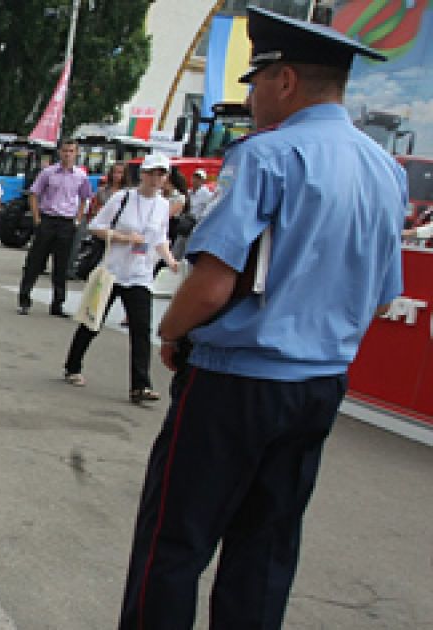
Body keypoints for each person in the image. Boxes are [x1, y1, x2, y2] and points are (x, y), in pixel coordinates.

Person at [118, 9, 405, 628]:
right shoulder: (386, 169)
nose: (248, 97)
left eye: (254, 81)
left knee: (175, 542)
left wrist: (171, 332)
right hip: (320, 386)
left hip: (235, 383)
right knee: (266, 549)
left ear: (285, 81)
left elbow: (213, 285)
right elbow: (383, 298)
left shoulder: (266, 156)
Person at [62, 153, 178, 401]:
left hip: (140, 274)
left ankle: (140, 385)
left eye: (162, 174)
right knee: (93, 322)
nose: (157, 178)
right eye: (153, 173)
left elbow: (160, 239)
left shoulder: (163, 205)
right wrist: (123, 238)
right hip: (112, 271)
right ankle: (73, 365)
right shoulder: (123, 198)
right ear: (143, 174)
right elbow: (96, 226)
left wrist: (170, 261)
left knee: (141, 330)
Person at [17, 140, 93, 317]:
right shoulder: (48, 173)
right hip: (48, 219)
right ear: (60, 152)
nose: (68, 154)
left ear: (76, 153)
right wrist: (37, 219)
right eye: (65, 151)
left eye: (71, 151)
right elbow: (34, 194)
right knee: (35, 262)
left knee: (61, 265)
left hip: (66, 222)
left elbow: (85, 198)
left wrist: (78, 219)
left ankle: (58, 303)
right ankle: (25, 299)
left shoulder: (80, 176)